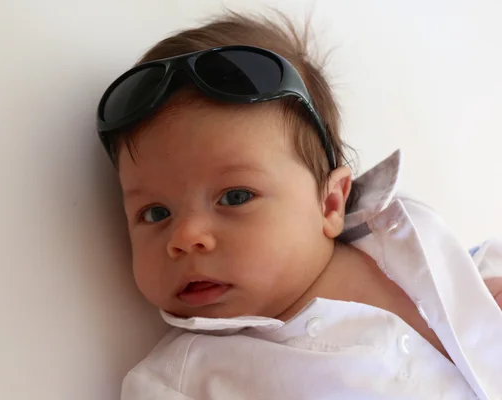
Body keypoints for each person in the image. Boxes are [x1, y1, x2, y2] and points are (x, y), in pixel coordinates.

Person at [95, 11, 502, 399]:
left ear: (329, 204)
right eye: (155, 213)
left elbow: (472, 277)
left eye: (235, 197)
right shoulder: (183, 380)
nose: (184, 237)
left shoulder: (405, 233)